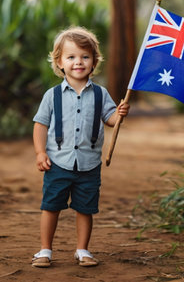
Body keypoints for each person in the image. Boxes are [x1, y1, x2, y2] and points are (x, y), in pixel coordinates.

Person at [32, 26, 130, 268]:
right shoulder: (52, 95)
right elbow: (40, 125)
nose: (79, 62)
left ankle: (82, 250)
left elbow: (110, 120)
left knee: (85, 209)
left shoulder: (100, 94)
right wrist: (40, 152)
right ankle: (45, 250)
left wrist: (120, 114)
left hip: (89, 163)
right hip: (58, 162)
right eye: (71, 57)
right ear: (59, 62)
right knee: (51, 206)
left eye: (85, 57)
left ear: (94, 61)